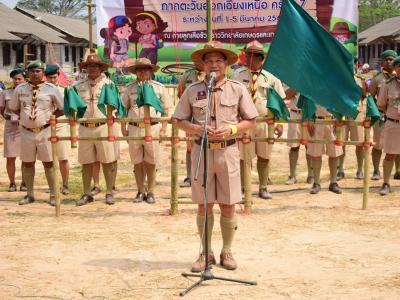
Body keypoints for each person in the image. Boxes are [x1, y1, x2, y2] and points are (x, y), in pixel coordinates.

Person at [173, 41, 258, 272]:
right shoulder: (192, 91)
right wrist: (196, 129)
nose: (213, 65)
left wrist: (231, 129)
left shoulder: (238, 89)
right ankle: (205, 252)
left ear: (226, 64)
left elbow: (250, 120)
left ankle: (227, 251)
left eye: (218, 61)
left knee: (229, 205)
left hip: (228, 152)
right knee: (204, 205)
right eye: (208, 61)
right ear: (202, 65)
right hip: (201, 152)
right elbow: (178, 120)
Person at [232, 40, 285, 199]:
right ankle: (242, 188)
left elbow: (280, 103)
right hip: (243, 122)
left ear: (260, 58)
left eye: (250, 56)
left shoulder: (271, 78)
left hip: (264, 122)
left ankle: (263, 187)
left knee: (264, 155)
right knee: (243, 156)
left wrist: (280, 123)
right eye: (246, 55)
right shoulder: (237, 75)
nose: (246, 58)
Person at [9, 60, 64, 206]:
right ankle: (30, 194)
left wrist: (50, 118)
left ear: (43, 73)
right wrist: (25, 117)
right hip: (26, 131)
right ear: (28, 72)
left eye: (38, 71)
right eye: (32, 71)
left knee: (48, 162)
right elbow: (14, 107)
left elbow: (62, 107)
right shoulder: (20, 89)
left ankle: (53, 194)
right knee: (27, 163)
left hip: (45, 130)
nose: (35, 74)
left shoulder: (51, 89)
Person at [121, 58, 171, 204]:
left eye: (145, 69)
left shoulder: (159, 88)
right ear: (135, 71)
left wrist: (163, 129)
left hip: (153, 128)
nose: (142, 72)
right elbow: (124, 108)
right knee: (137, 162)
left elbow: (166, 110)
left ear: (150, 70)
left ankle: (151, 191)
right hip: (134, 128)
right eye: (139, 69)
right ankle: (140, 190)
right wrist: (123, 128)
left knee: (151, 161)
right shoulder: (129, 88)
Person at [74, 54, 118, 206]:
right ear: (85, 68)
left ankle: (109, 192)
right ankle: (87, 193)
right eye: (89, 66)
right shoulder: (78, 86)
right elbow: (74, 106)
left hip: (103, 127)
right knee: (86, 162)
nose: (92, 69)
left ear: (101, 68)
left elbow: (115, 106)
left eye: (95, 66)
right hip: (85, 128)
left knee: (107, 161)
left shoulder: (109, 84)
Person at [369, 49, 398, 180]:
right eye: (386, 59)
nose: (389, 61)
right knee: (378, 144)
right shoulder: (377, 78)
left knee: (397, 146)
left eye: (391, 59)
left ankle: (397, 170)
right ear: (382, 61)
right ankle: (376, 170)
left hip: (394, 118)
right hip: (381, 116)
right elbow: (371, 98)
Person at [336, 62, 368, 180]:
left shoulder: (360, 80)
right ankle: (340, 169)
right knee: (341, 143)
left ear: (355, 66)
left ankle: (360, 170)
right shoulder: (339, 80)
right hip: (342, 114)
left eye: (352, 64)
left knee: (359, 144)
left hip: (356, 115)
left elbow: (364, 95)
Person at [177, 65, 205, 187]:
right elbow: (180, 92)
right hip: (191, 116)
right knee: (190, 146)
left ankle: (203, 176)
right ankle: (190, 176)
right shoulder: (187, 74)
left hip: (206, 116)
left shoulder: (212, 73)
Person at [44, 64, 70, 194]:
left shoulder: (64, 90)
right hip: (45, 128)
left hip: (60, 126)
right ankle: (53, 185)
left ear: (58, 76)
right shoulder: (42, 90)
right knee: (49, 159)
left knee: (63, 158)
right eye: (50, 78)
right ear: (46, 78)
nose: (52, 80)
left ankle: (65, 184)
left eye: (54, 77)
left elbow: (69, 109)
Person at [0, 68, 27, 192]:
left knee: (26, 157)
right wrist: (6, 116)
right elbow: (1, 108)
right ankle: (12, 183)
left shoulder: (28, 92)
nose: (17, 81)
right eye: (15, 79)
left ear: (24, 79)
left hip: (26, 126)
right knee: (10, 156)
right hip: (11, 127)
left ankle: (24, 182)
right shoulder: (6, 93)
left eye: (19, 79)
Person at [376, 55, 400, 195]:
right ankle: (386, 183)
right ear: (395, 68)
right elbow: (381, 104)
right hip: (393, 124)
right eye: (399, 66)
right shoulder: (388, 84)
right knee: (390, 155)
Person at [307, 105, 343, 194]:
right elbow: (307, 100)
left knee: (334, 152)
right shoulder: (313, 89)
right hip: (316, 120)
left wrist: (339, 117)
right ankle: (316, 183)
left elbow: (340, 100)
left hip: (332, 120)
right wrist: (309, 118)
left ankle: (333, 182)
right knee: (316, 153)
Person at [284, 87, 313, 184]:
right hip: (295, 114)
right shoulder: (294, 79)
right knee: (294, 146)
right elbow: (285, 95)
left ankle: (311, 175)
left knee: (309, 146)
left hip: (308, 115)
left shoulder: (311, 81)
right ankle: (292, 176)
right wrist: (295, 86)